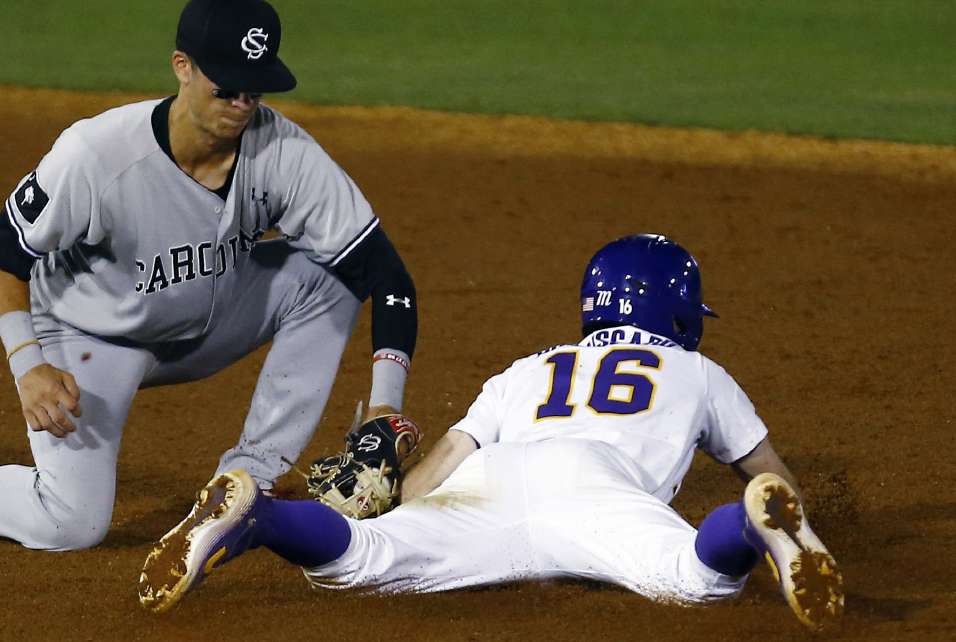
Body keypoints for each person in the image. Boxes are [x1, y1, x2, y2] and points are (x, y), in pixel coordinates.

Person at [0, 0, 418, 552]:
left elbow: (386, 274)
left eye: (254, 90)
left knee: (332, 275)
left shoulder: (283, 151)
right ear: (182, 67)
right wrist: (28, 364)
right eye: (227, 87)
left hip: (209, 320)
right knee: (71, 522)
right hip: (93, 337)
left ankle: (245, 484)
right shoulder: (97, 156)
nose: (242, 103)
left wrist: (384, 412)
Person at [137, 234, 844, 632]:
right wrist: (778, 505)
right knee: (696, 579)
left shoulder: (528, 369)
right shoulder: (698, 371)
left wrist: (391, 506)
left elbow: (428, 479)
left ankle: (259, 516)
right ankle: (749, 529)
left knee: (360, 558)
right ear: (680, 312)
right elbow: (773, 476)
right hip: (596, 488)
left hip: (494, 478)